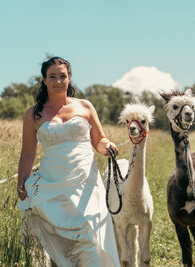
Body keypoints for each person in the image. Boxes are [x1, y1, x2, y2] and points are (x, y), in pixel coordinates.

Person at [17, 56, 120, 266]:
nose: (58, 81)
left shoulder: (85, 106)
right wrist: (22, 184)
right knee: (63, 241)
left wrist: (107, 147)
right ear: (44, 80)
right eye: (52, 76)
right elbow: (28, 153)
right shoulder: (33, 114)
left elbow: (99, 140)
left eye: (62, 76)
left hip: (86, 182)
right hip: (52, 184)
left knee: (90, 235)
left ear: (69, 78)